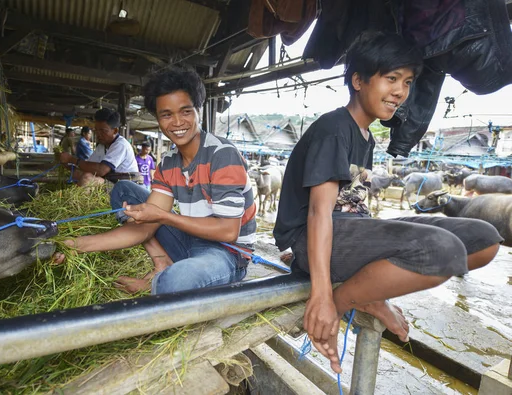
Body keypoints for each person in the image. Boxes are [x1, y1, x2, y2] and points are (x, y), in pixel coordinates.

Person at [273, 31, 502, 374]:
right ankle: (344, 301)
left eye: (407, 82)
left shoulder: (365, 136)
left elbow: (354, 205)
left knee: (485, 239)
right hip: (311, 238)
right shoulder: (334, 129)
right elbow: (321, 212)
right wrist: (321, 295)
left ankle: (368, 295)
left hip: (349, 231)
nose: (400, 92)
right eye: (391, 78)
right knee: (443, 251)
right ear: (358, 80)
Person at [53, 65, 256, 295]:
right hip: (191, 241)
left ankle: (156, 282)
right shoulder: (169, 162)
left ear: (198, 110)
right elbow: (143, 229)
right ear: (158, 118)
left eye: (186, 111)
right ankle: (163, 262)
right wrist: (76, 245)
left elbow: (228, 231)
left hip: (226, 253)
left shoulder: (222, 154)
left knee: (176, 281)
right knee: (123, 191)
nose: (177, 122)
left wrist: (162, 216)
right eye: (166, 114)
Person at [59, 108, 140, 186]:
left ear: (115, 131)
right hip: (111, 181)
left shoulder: (120, 145)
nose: (98, 134)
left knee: (87, 179)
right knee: (77, 174)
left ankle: (76, 199)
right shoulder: (102, 145)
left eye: (103, 131)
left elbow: (101, 170)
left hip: (125, 186)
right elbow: (89, 167)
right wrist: (67, 165)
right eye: (96, 130)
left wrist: (72, 159)